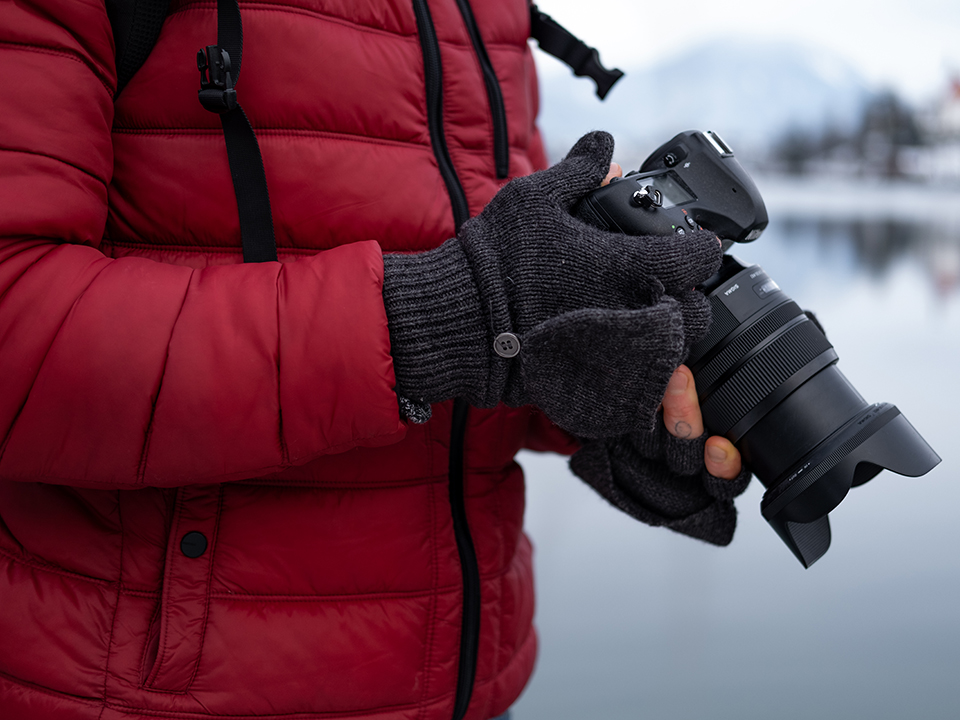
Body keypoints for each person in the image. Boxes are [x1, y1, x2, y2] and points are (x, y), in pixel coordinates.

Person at [0, 1, 749, 719]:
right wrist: (436, 317)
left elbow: (500, 312)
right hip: (163, 693)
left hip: (476, 684)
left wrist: (608, 404)